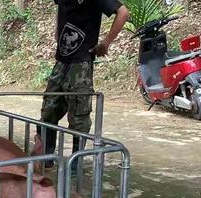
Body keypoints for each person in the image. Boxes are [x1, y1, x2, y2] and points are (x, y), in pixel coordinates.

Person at [33, 0, 129, 165]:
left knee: (78, 118)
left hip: (81, 63)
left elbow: (123, 12)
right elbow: (60, 6)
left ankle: (74, 165)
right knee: (49, 110)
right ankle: (46, 159)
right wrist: (58, 30)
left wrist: (106, 43)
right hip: (61, 60)